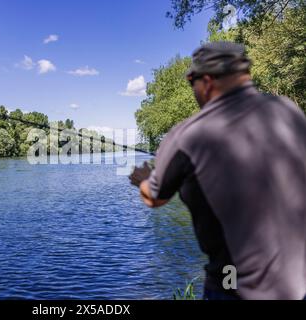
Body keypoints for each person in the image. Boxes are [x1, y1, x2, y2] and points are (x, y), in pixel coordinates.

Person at [129, 41, 306, 300]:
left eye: (191, 81)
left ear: (207, 81)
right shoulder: (289, 112)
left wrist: (144, 180)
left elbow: (154, 197)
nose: (193, 89)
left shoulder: (188, 136)